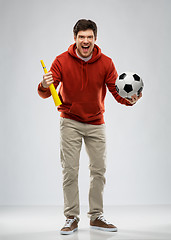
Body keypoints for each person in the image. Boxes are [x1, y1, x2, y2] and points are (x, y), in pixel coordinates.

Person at [38, 19, 142, 235]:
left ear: (95, 38)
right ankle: (71, 217)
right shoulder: (61, 60)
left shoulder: (106, 62)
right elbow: (47, 92)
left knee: (99, 170)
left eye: (89, 37)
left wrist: (130, 100)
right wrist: (44, 85)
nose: (85, 41)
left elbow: (116, 92)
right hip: (70, 121)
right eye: (81, 37)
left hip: (96, 122)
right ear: (75, 38)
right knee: (70, 170)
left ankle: (96, 216)